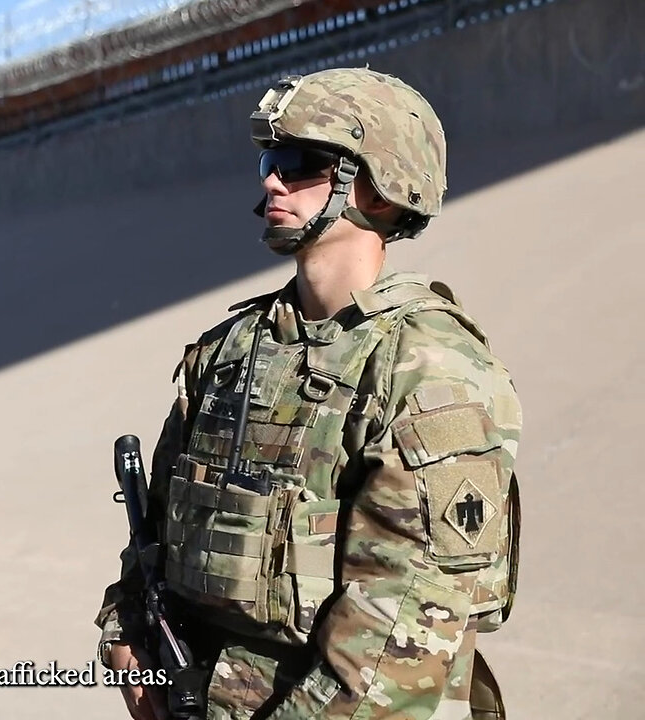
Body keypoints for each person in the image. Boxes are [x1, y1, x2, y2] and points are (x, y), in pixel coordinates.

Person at [95, 67, 523, 720]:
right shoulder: (231, 350)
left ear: (378, 190)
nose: (271, 179)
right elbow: (160, 522)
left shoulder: (426, 365)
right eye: (271, 159)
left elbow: (402, 631)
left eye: (299, 164)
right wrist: (127, 635)